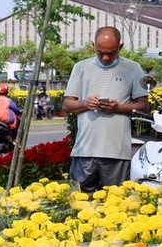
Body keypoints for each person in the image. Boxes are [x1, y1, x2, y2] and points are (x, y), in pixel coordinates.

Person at [63, 26, 149, 192]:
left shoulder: (133, 68)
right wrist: (86, 103)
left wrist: (118, 107)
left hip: (116, 152)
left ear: (120, 47)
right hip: (84, 151)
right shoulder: (81, 68)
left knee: (115, 204)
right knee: (79, 203)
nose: (106, 57)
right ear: (92, 46)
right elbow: (67, 105)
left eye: (111, 52)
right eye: (100, 52)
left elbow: (144, 107)